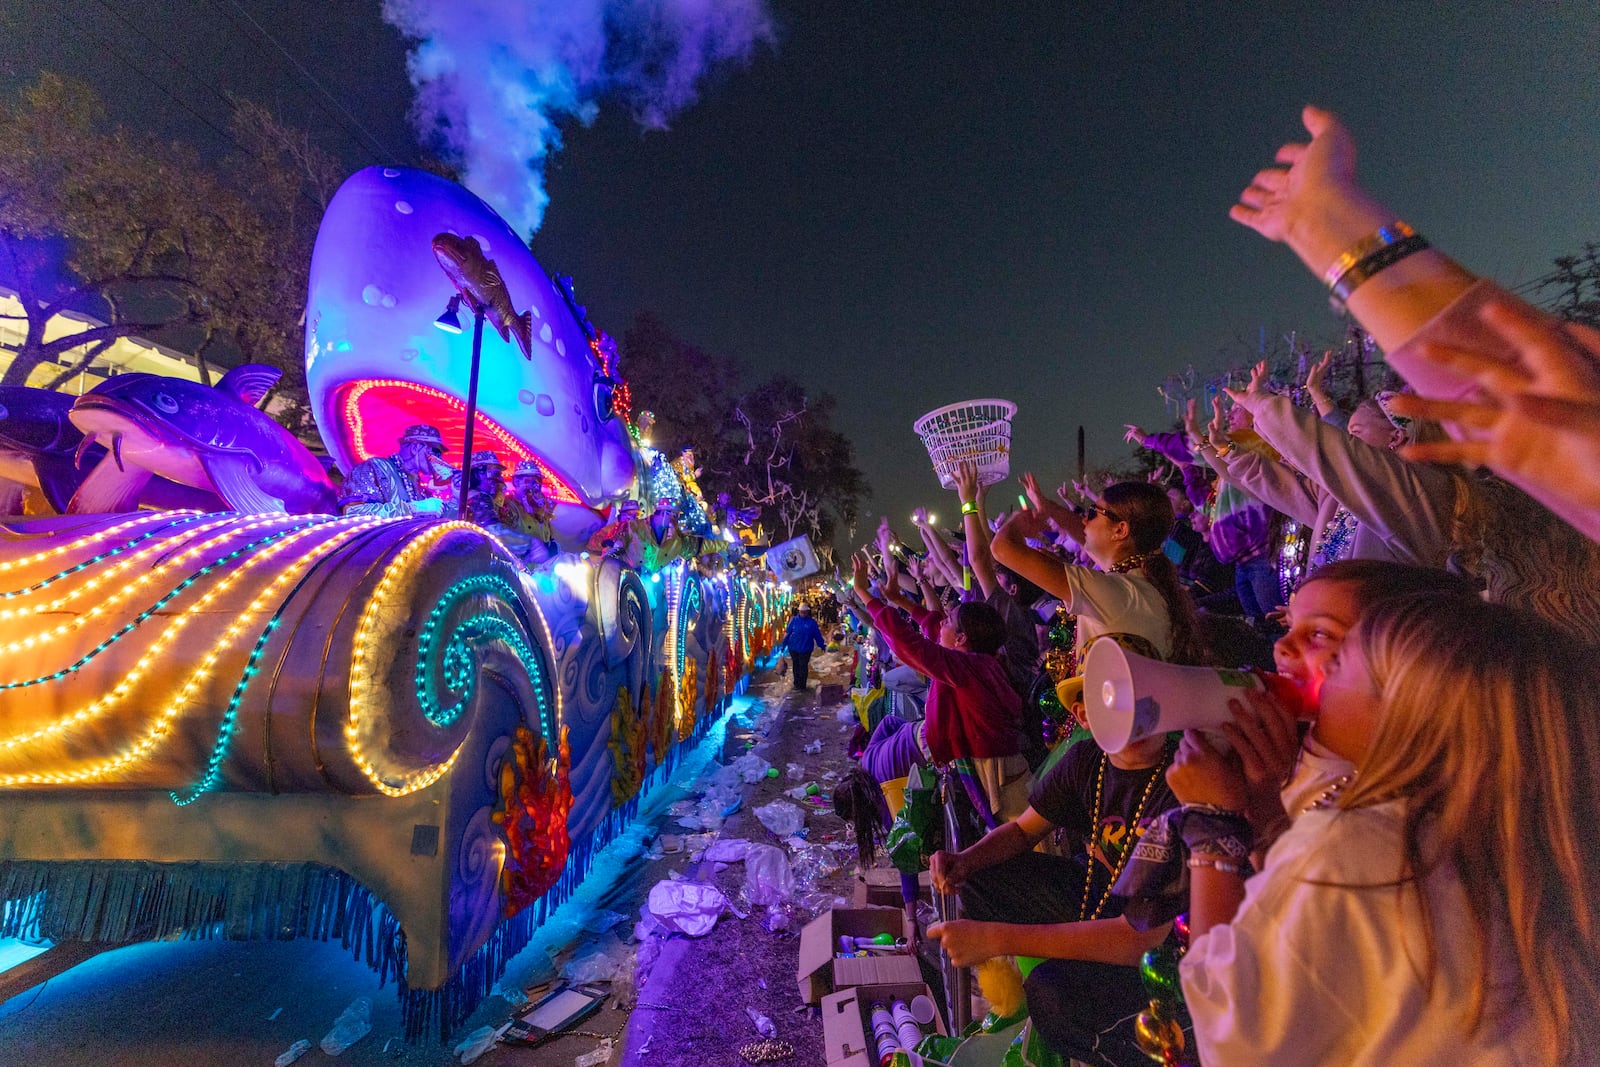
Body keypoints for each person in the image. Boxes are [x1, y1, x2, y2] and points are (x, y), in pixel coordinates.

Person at [1169, 591, 1600, 1064]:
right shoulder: (1485, 841)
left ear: (1408, 714)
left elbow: (1231, 1037)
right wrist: (1269, 815)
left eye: (1344, 660)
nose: (1322, 667)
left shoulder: (1362, 844)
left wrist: (1213, 823)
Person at [1229, 105, 1600, 544]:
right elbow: (1503, 386)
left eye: (1359, 422)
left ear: (1397, 436)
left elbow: (1489, 382)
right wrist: (1318, 224)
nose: (1349, 428)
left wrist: (1322, 222)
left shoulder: (1418, 494)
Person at [924, 698, 1179, 1067]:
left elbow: (1142, 937)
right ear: (1084, 716)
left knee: (1052, 995)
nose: (1136, 718)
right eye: (1118, 702)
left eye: (1148, 699)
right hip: (1099, 899)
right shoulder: (1087, 761)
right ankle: (1036, 990)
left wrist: (996, 937)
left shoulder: (1184, 776)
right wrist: (963, 861)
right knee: (978, 875)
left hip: (1163, 951)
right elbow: (1021, 831)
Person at [993, 477, 1208, 669]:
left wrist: (1018, 521)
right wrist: (1048, 508)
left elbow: (1002, 548)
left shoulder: (1112, 591)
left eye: (1094, 513)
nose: (1085, 519)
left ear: (1120, 530)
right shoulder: (1137, 582)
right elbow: (1084, 534)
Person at [338, 423, 453, 518]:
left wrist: (457, 496)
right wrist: (413, 509)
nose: (440, 459)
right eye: (436, 452)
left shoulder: (418, 487)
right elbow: (353, 512)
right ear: (416, 448)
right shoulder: (375, 468)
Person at [780, 601, 826, 690]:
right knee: (796, 665)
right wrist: (784, 645)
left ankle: (802, 685)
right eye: (802, 612)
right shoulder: (793, 620)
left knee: (803, 666)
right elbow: (788, 633)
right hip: (793, 648)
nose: (803, 613)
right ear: (799, 612)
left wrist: (822, 645)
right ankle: (797, 683)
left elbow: (817, 635)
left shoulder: (812, 623)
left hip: (806, 649)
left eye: (804, 612)